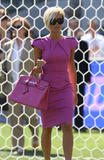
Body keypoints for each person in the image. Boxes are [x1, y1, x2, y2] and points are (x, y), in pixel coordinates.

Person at [32, 7, 78, 160]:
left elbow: (71, 67)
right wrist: (38, 67)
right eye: (54, 21)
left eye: (60, 20)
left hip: (65, 88)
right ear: (47, 22)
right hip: (47, 90)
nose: (57, 24)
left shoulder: (70, 42)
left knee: (67, 126)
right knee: (47, 128)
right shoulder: (40, 43)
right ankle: (47, 158)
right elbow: (36, 71)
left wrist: (74, 92)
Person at [1, 17, 39, 155]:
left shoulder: (34, 45)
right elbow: (5, 67)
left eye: (19, 26)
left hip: (29, 86)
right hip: (12, 86)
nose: (16, 30)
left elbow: (38, 65)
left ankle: (35, 134)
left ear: (26, 28)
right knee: (14, 117)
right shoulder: (7, 45)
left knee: (31, 116)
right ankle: (18, 146)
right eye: (14, 27)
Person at [68, 18, 91, 132]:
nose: (74, 27)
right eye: (72, 25)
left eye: (76, 25)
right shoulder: (63, 41)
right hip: (65, 77)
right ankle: (61, 124)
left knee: (79, 101)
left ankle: (78, 125)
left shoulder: (83, 43)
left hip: (79, 77)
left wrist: (87, 77)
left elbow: (86, 61)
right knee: (64, 101)